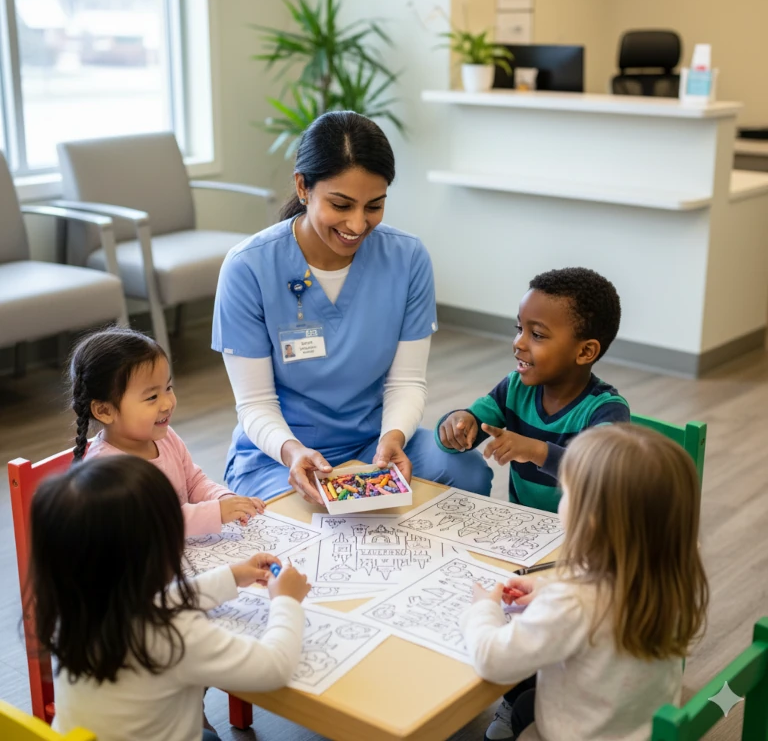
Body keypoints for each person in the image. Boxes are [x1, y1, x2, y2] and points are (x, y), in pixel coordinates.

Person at [213, 110, 492, 502]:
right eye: (341, 205)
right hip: (281, 454)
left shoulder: (407, 258)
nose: (358, 225)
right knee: (309, 525)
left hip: (374, 444)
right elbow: (255, 402)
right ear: (303, 187)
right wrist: (292, 452)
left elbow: (406, 381)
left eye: (374, 206)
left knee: (468, 474)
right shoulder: (248, 267)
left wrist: (393, 437)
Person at [28, 456, 311, 741]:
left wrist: (232, 576)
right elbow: (273, 667)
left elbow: (163, 600)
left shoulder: (77, 609)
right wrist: (285, 601)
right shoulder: (174, 633)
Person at [462, 424, 709, 741]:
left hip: (584, 733)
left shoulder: (573, 604)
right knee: (525, 704)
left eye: (565, 492)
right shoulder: (673, 574)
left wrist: (484, 610)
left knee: (524, 711)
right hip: (642, 727)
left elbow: (491, 659)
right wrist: (549, 589)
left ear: (589, 519)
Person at [436, 267, 629, 512]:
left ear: (585, 352)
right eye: (520, 329)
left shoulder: (606, 409)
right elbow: (467, 428)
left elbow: (599, 471)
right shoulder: (515, 387)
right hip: (524, 529)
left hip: (584, 536)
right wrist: (456, 424)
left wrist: (535, 450)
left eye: (537, 334)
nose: (518, 343)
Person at [69, 327, 265, 535]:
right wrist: (215, 513)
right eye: (152, 397)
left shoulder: (165, 436)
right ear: (104, 410)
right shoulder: (106, 470)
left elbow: (194, 482)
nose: (167, 403)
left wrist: (223, 499)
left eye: (168, 388)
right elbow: (153, 524)